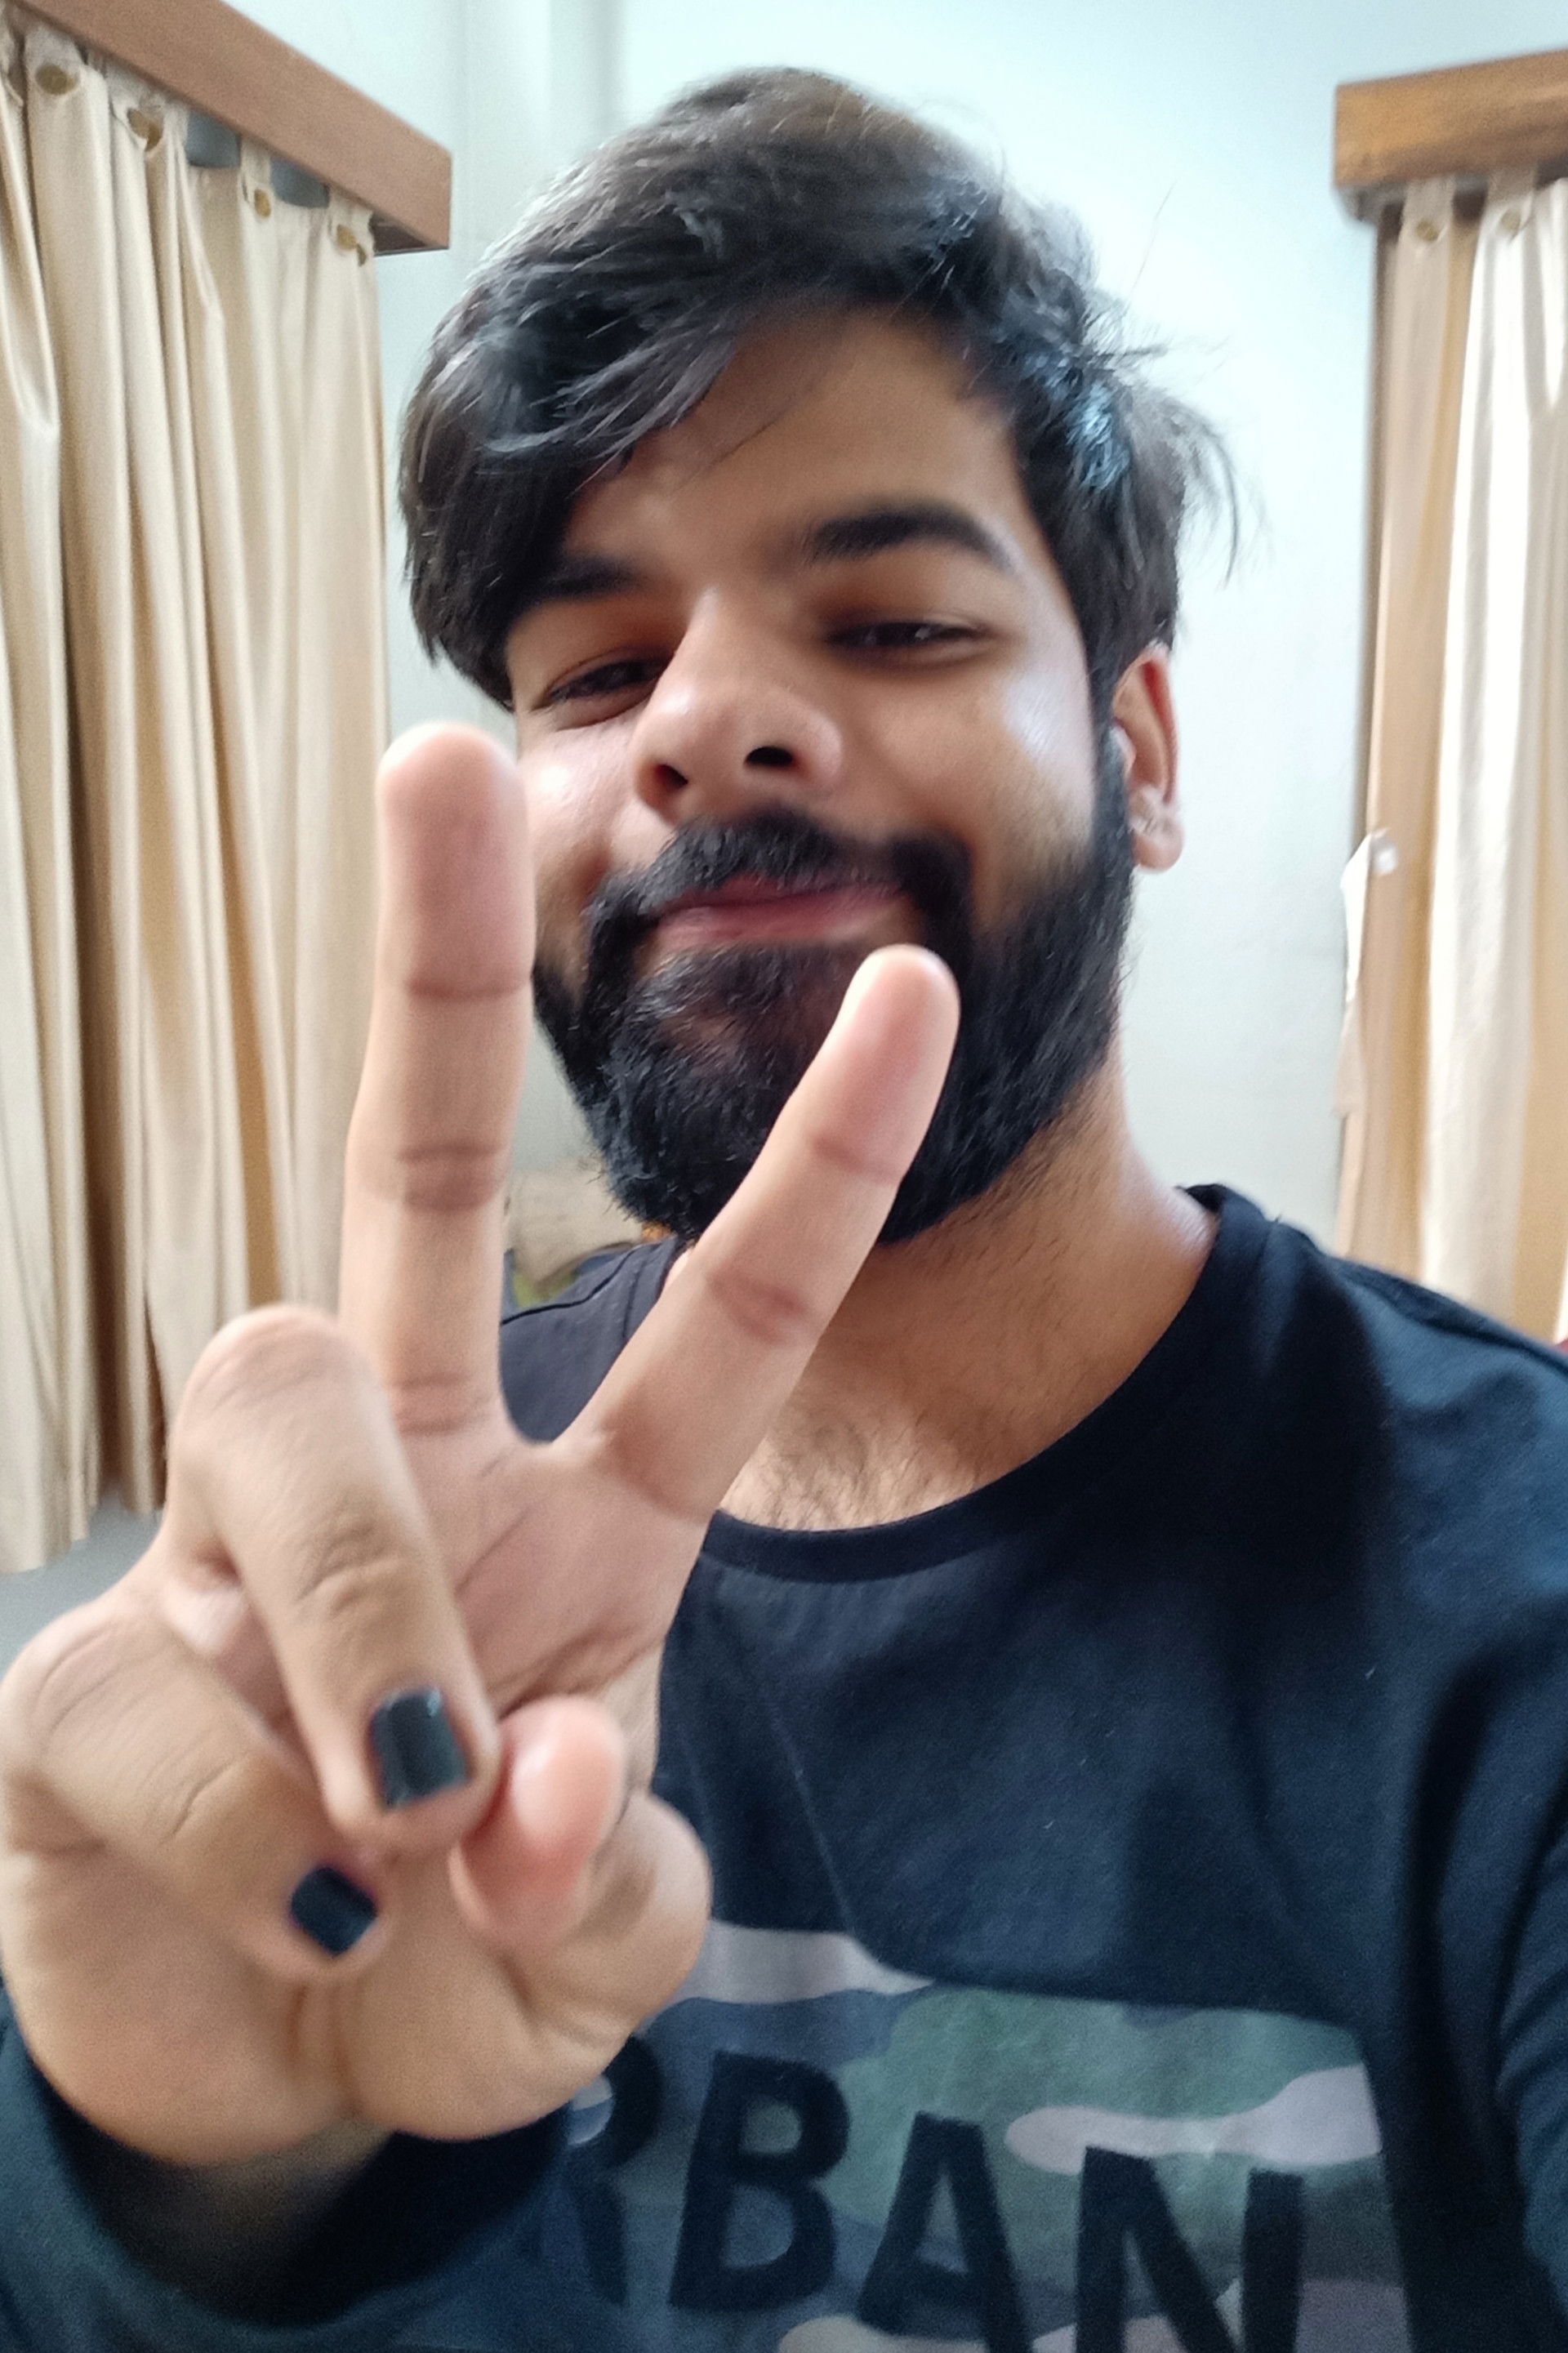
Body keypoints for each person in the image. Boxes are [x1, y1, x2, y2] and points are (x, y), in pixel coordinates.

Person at [0, 65, 1565, 2353]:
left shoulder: (1519, 1585)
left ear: (1138, 752)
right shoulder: (398, 1586)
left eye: (896, 623)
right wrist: (182, 2191)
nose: (708, 718)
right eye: (597, 668)